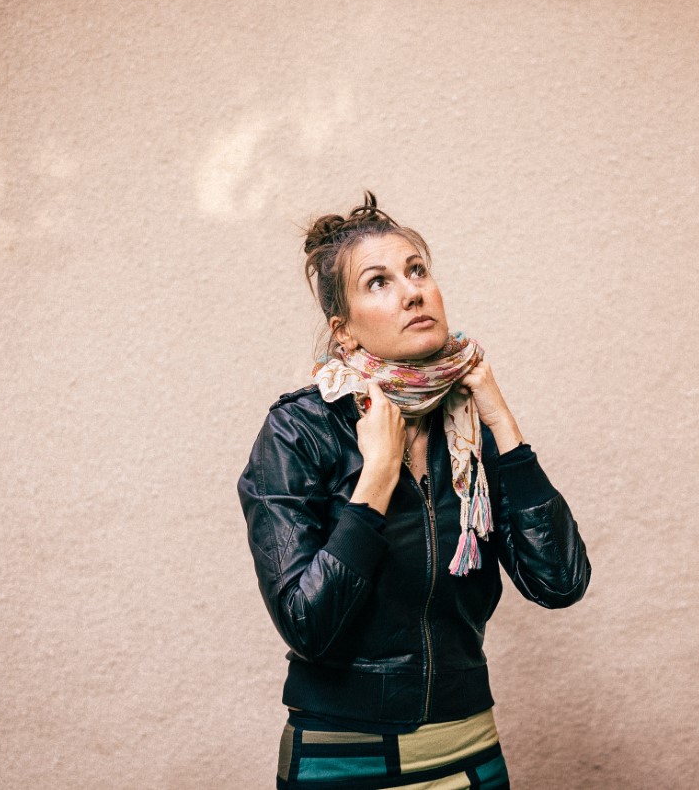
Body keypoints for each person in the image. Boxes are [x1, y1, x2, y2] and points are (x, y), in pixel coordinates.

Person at [237, 192, 592, 789]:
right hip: (343, 756)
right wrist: (377, 475)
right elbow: (306, 624)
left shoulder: (470, 426)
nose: (412, 292)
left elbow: (560, 583)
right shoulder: (297, 433)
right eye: (378, 282)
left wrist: (501, 420)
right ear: (343, 332)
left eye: (417, 270)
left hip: (470, 745)